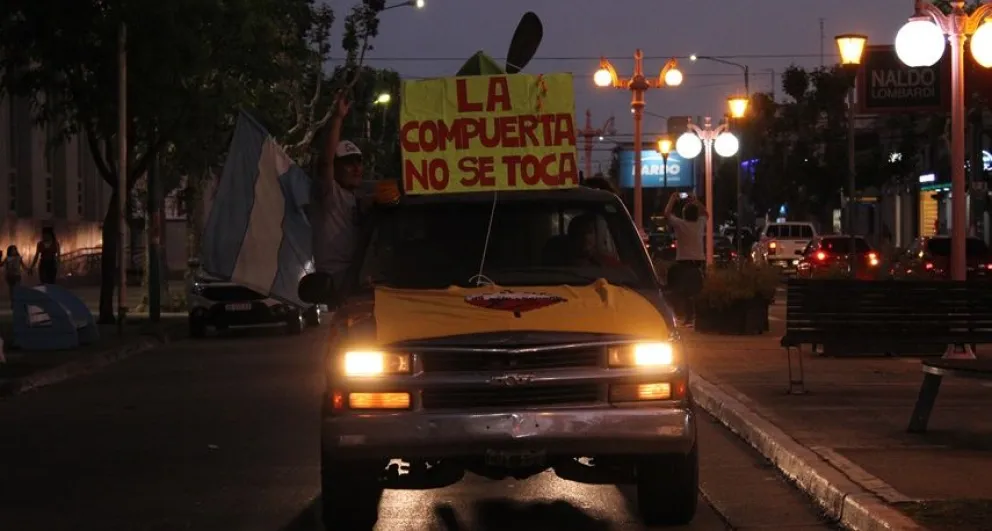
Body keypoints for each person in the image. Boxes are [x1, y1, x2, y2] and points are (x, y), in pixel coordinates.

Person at [309, 93, 365, 294]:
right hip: (336, 281)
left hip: (363, 279)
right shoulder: (328, 193)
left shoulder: (362, 198)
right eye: (349, 163)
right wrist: (338, 119)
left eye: (359, 162)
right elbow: (325, 162)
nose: (357, 168)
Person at [663, 192, 708, 327]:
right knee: (696, 291)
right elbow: (706, 213)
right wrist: (695, 200)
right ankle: (695, 317)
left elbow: (666, 214)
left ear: (684, 215)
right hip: (699, 263)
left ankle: (687, 317)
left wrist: (672, 199)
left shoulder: (681, 225)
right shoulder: (700, 224)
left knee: (683, 291)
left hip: (684, 263)